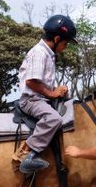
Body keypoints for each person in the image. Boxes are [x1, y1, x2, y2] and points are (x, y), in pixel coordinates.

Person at [16, 14, 77, 174]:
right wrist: (51, 93)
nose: (66, 47)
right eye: (66, 43)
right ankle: (28, 154)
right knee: (54, 118)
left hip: (41, 99)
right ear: (57, 39)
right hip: (31, 100)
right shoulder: (39, 53)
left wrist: (57, 91)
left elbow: (42, 82)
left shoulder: (49, 54)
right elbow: (31, 82)